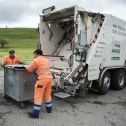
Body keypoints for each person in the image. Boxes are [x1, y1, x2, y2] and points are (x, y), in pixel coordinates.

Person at [25, 49, 53, 118]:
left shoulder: (36, 60)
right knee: (47, 94)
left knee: (38, 95)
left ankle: (35, 113)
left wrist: (25, 67)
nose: (33, 55)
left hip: (42, 79)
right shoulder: (46, 59)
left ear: (37, 54)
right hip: (49, 78)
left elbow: (30, 69)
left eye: (34, 54)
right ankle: (49, 109)